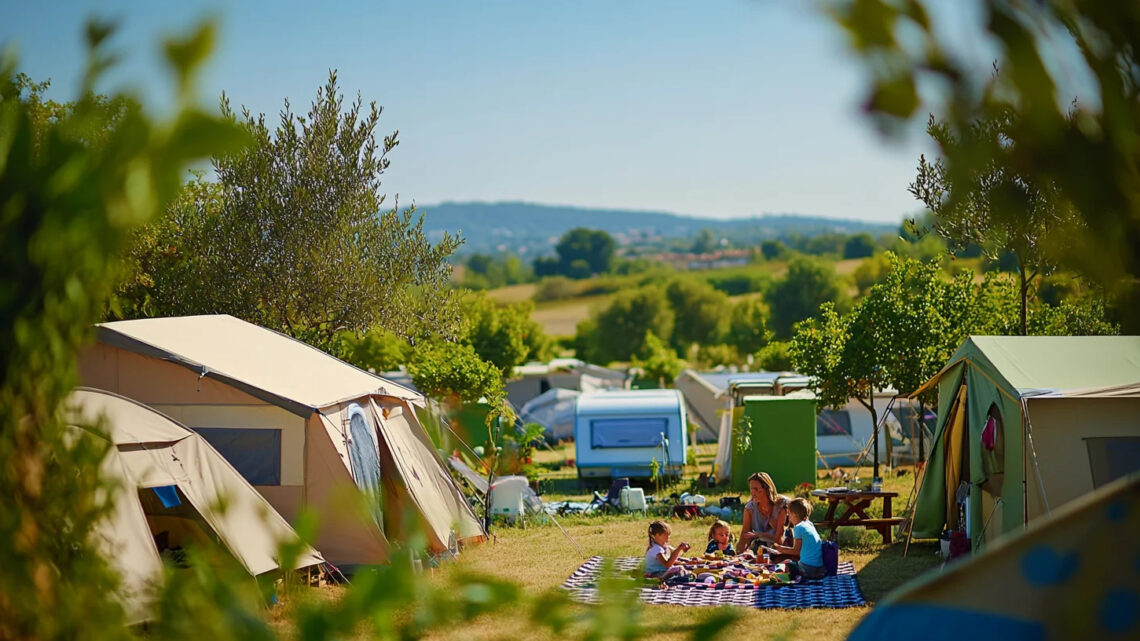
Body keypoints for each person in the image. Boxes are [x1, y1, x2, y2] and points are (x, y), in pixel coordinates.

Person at [770, 497, 826, 580]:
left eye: (789, 513)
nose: (788, 517)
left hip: (808, 569)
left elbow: (796, 551)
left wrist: (779, 548)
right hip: (820, 569)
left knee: (783, 565)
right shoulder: (809, 524)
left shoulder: (798, 528)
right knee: (789, 563)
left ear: (795, 514)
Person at [738, 472, 789, 553]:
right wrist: (739, 554)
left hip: (783, 548)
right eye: (751, 489)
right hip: (761, 548)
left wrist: (760, 535)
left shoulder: (781, 505)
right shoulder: (750, 508)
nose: (752, 492)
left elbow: (779, 539)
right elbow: (744, 536)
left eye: (756, 489)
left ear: (767, 489)